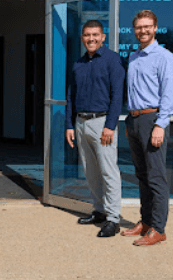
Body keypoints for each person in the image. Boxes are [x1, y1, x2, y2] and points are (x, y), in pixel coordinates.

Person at [121, 10, 173, 246]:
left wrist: (160, 125)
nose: (143, 31)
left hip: (152, 120)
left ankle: (158, 228)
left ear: (155, 28)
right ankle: (145, 222)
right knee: (142, 176)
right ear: (134, 30)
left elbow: (168, 95)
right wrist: (129, 122)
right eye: (139, 27)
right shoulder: (134, 57)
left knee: (156, 177)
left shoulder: (164, 57)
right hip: (134, 121)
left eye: (147, 26)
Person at [65, 20, 125, 238]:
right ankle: (99, 211)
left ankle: (113, 218)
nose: (91, 38)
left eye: (95, 35)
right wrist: (70, 125)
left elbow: (117, 96)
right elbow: (71, 96)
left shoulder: (112, 60)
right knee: (90, 171)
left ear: (103, 37)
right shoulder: (78, 64)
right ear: (82, 38)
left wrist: (110, 126)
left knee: (109, 171)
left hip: (102, 124)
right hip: (81, 123)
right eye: (87, 35)